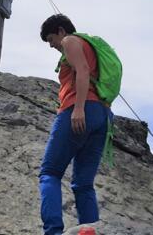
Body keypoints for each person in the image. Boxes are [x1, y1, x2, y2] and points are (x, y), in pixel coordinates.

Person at [39, 14, 112, 235]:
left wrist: (78, 108)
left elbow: (82, 70)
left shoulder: (70, 41)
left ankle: (53, 232)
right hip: (102, 115)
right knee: (83, 183)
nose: (52, 45)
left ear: (61, 31)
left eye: (51, 39)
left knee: (49, 173)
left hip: (80, 109)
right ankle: (89, 230)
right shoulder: (90, 46)